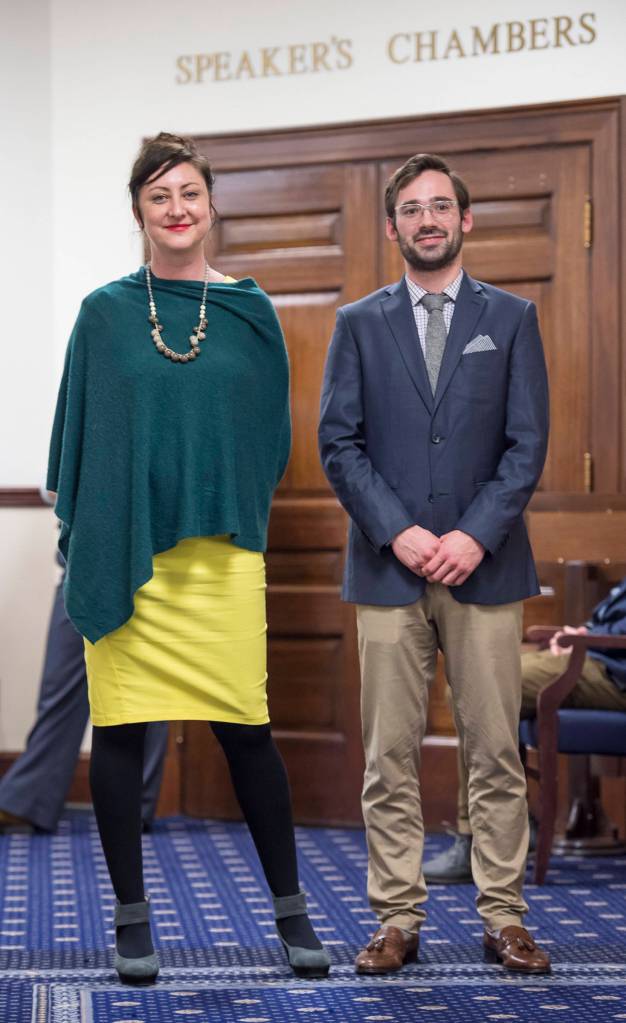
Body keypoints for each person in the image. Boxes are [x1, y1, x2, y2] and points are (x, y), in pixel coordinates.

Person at [46, 132, 329, 985]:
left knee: (249, 732)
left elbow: (270, 436)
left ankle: (291, 914)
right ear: (139, 209)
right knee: (124, 734)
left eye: (190, 194)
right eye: (160, 195)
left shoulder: (250, 310)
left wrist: (218, 494)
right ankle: (132, 921)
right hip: (131, 553)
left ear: (213, 206)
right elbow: (78, 434)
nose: (177, 209)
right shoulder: (104, 312)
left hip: (220, 557)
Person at [318, 153, 551, 975]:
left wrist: (474, 534)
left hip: (485, 566)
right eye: (411, 209)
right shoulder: (356, 323)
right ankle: (396, 918)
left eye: (440, 206)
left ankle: (504, 916)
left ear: (466, 219)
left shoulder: (513, 317)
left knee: (493, 749)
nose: (427, 220)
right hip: (388, 570)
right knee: (389, 752)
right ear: (392, 228)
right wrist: (400, 531)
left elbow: (526, 446)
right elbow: (337, 445)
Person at [423, 575, 626, 883]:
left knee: (474, 687)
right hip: (596, 654)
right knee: (473, 685)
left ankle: (482, 836)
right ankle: (501, 827)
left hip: (612, 671)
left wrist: (593, 637)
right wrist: (589, 631)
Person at [0, 558, 168, 834]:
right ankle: (29, 798)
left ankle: (134, 804)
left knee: (143, 684)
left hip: (148, 557)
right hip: (83, 555)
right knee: (60, 684)